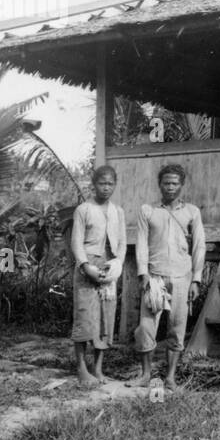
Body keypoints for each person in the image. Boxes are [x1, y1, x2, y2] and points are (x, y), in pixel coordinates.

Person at [127, 163, 204, 390]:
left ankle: (170, 378)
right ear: (159, 185)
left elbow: (199, 246)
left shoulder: (192, 212)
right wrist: (142, 273)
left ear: (181, 185)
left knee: (177, 328)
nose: (170, 187)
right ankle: (145, 375)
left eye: (174, 183)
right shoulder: (148, 211)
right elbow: (141, 243)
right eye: (166, 183)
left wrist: (196, 279)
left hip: (182, 277)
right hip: (155, 277)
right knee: (146, 328)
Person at [69, 165, 127, 387]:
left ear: (115, 185)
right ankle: (81, 368)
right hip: (88, 267)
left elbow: (121, 242)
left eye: (110, 183)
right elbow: (76, 241)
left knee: (105, 318)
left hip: (109, 267)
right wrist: (85, 265)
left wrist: (117, 263)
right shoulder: (83, 209)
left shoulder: (118, 212)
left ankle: (98, 368)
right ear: (94, 185)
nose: (106, 188)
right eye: (102, 183)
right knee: (85, 317)